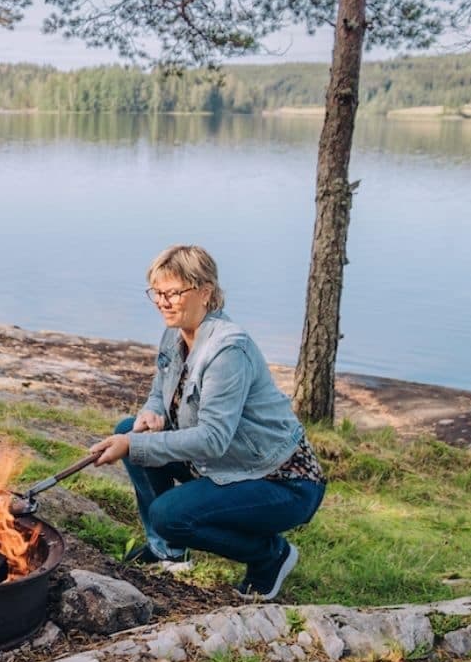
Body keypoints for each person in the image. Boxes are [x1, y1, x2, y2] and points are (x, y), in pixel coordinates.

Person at [89, 245, 326, 601]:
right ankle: (167, 551)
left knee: (169, 513)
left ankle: (271, 556)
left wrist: (134, 446)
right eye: (157, 292)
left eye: (173, 293)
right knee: (127, 428)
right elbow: (159, 389)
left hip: (280, 481)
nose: (163, 302)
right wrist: (151, 413)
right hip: (226, 463)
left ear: (206, 292)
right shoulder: (177, 331)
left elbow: (213, 439)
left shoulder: (228, 350)